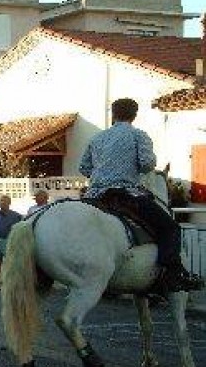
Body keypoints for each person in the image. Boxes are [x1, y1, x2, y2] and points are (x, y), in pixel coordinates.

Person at [79, 97, 202, 294]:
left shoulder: (97, 138)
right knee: (170, 227)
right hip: (125, 194)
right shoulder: (138, 135)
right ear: (134, 115)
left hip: (94, 196)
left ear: (113, 114)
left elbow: (83, 167)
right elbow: (147, 164)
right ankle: (170, 275)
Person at [0, 195, 22, 291]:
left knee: (11, 263)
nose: (2, 203)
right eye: (1, 201)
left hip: (8, 241)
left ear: (9, 203)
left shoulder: (16, 216)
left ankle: (12, 283)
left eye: (4, 201)